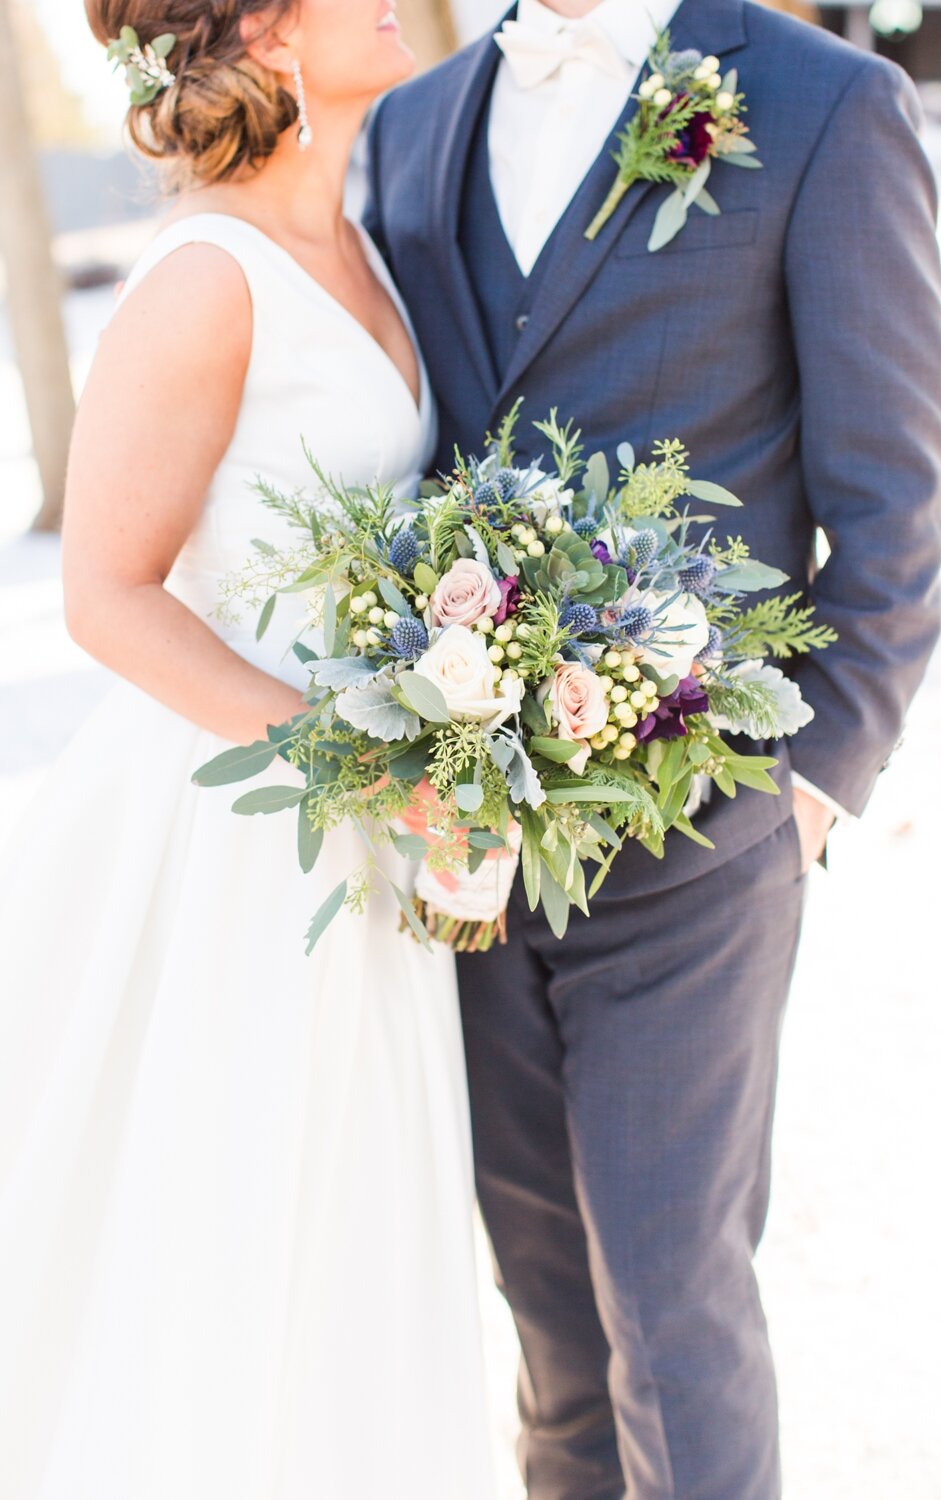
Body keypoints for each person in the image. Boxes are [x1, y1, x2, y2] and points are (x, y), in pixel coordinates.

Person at [364, 0, 941, 1493]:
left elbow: (896, 503)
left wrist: (811, 790)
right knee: (551, 1320)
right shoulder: (409, 125)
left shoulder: (826, 105)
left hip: (704, 838)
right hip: (473, 850)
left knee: (670, 1311)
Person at [0, 3, 497, 1496]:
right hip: (239, 845)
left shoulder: (368, 244)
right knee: (230, 1242)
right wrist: (367, 767)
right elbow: (106, 593)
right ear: (272, 27)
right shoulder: (207, 276)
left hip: (370, 848)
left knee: (351, 1244)